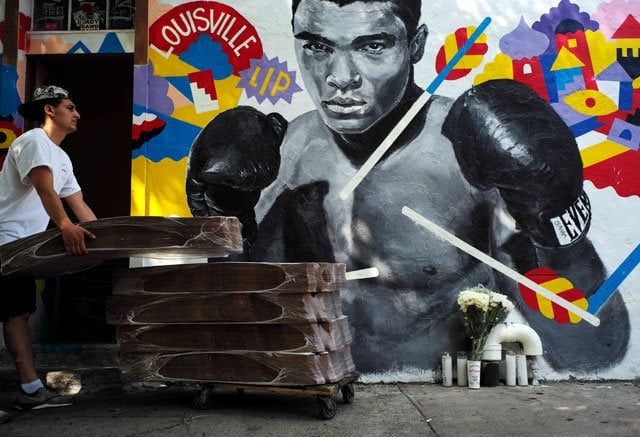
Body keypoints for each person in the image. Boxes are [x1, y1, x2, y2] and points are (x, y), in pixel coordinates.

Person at [188, 0, 630, 373]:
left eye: (372, 45)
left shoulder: (472, 156)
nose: (340, 76)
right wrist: (223, 225)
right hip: (314, 393)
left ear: (415, 45)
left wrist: (558, 229)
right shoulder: (286, 152)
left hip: (446, 404)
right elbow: (242, 315)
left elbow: (589, 351)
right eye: (318, 47)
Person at [0, 85, 97, 411]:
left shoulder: (61, 156)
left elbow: (78, 203)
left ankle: (31, 390)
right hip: (5, 242)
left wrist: (107, 240)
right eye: (70, 107)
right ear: (49, 110)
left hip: (22, 249)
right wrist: (66, 226)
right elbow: (45, 191)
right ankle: (30, 390)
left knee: (18, 312)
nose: (77, 114)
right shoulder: (33, 142)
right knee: (14, 312)